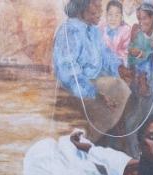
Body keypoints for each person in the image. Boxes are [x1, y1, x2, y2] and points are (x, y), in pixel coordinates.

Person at [55, 0, 134, 135]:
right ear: (82, 7)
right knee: (118, 88)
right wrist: (93, 93)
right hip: (77, 91)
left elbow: (105, 55)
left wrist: (120, 68)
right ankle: (100, 138)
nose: (101, 9)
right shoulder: (69, 31)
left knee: (129, 90)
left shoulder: (93, 31)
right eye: (96, 5)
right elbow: (68, 72)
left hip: (95, 86)